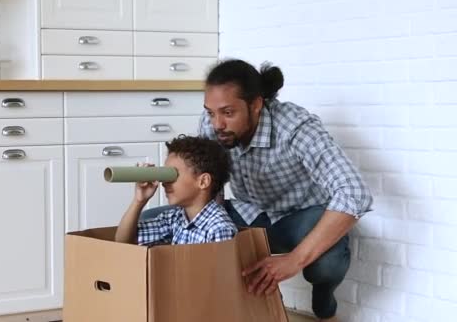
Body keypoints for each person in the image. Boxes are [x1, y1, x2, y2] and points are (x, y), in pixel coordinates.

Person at [141, 59, 373, 321]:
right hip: (248, 215)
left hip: (301, 218)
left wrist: (294, 260)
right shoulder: (214, 126)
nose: (217, 124)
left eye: (228, 113)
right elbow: (206, 186)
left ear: (256, 105)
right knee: (148, 223)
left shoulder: (296, 128)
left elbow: (355, 193)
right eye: (210, 112)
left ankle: (324, 305)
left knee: (328, 264)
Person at [115, 135, 237, 245]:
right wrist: (139, 200)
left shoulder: (219, 229)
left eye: (172, 175)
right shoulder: (176, 218)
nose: (164, 183)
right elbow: (124, 241)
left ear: (203, 181)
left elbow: (222, 269)